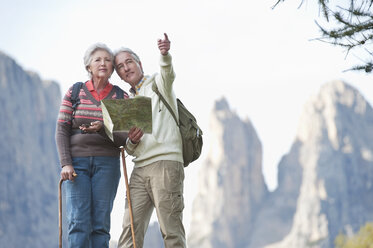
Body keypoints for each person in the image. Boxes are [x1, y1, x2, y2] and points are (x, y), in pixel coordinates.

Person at [55, 43, 142, 248]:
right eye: (98, 59)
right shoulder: (75, 91)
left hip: (108, 164)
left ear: (112, 68)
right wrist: (66, 163)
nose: (103, 63)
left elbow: (124, 139)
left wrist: (103, 128)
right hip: (77, 164)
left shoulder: (121, 96)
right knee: (78, 222)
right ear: (88, 67)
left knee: (100, 224)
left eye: (108, 60)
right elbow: (61, 130)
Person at [114, 33, 186, 248]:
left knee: (170, 229)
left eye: (129, 62)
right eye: (120, 66)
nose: (126, 68)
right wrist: (132, 142)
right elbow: (131, 148)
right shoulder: (125, 102)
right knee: (129, 231)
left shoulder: (158, 83)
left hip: (165, 164)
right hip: (140, 168)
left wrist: (165, 54)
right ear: (118, 74)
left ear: (139, 64)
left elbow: (168, 72)